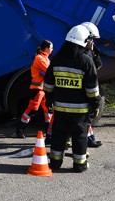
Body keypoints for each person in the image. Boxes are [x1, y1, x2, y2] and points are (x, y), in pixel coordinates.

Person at [43, 24, 101, 173]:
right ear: (83, 41)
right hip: (80, 110)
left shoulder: (56, 60)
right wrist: (95, 105)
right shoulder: (86, 61)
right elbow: (92, 89)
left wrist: (49, 100)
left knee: (58, 134)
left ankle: (55, 163)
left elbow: (48, 84)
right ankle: (79, 164)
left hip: (60, 108)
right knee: (79, 137)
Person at [14, 40, 53, 138]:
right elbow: (49, 72)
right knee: (32, 110)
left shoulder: (45, 58)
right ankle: (20, 130)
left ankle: (49, 131)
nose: (52, 49)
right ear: (47, 48)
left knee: (47, 110)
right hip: (37, 89)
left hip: (43, 89)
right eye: (51, 47)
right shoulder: (40, 58)